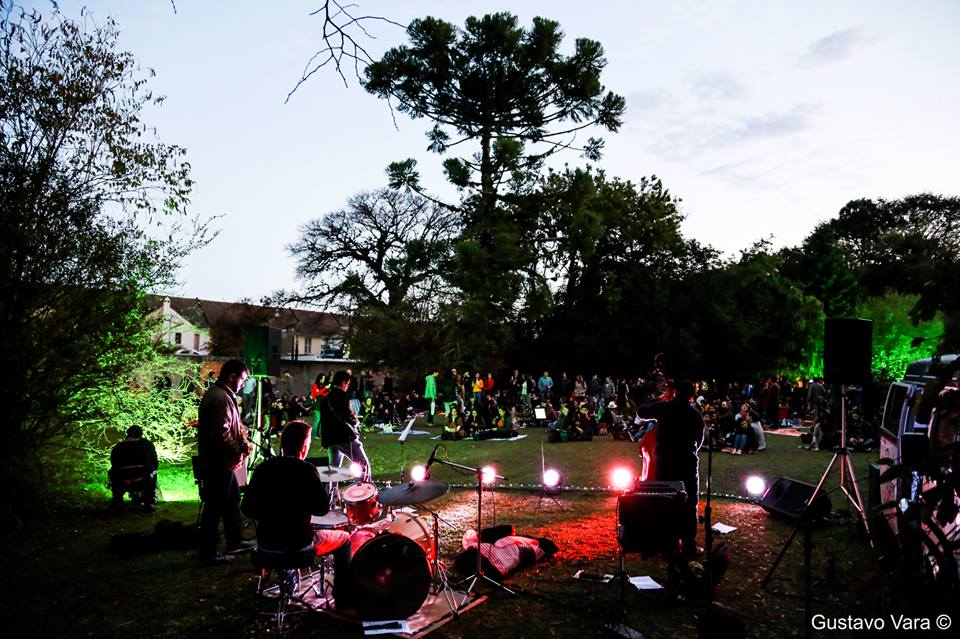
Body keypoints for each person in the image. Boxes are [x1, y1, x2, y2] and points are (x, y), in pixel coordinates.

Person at [241, 420, 351, 606]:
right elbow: (322, 509)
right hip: (299, 545)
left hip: (266, 544)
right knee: (345, 539)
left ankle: (287, 580)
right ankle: (344, 600)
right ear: (304, 446)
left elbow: (247, 508)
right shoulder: (307, 470)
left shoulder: (263, 469)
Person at [637, 379, 705, 559]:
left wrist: (658, 401)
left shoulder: (664, 408)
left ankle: (663, 541)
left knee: (663, 500)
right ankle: (688, 544)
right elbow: (699, 442)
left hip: (665, 463)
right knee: (690, 503)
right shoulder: (695, 415)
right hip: (687, 464)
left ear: (675, 393)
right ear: (692, 396)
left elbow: (641, 411)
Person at [197, 359, 256, 565]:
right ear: (232, 376)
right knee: (214, 508)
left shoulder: (223, 395)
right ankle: (208, 553)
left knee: (231, 502)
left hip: (222, 463)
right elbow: (221, 432)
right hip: (217, 463)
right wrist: (238, 450)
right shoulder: (220, 398)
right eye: (243, 379)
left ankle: (235, 540)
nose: (243, 384)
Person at [319, 370, 371, 481]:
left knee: (333, 470)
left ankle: (332, 495)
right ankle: (364, 492)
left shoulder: (325, 398)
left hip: (330, 438)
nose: (348, 386)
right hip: (343, 436)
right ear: (343, 382)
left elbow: (324, 420)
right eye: (348, 383)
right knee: (363, 464)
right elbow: (346, 415)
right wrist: (355, 421)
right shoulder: (341, 395)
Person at [108, 425, 159, 512]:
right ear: (141, 434)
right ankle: (150, 501)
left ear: (127, 434)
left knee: (112, 471)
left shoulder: (118, 447)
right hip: (142, 477)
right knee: (153, 471)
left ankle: (117, 499)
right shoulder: (147, 445)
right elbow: (155, 461)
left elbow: (114, 464)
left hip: (122, 478)